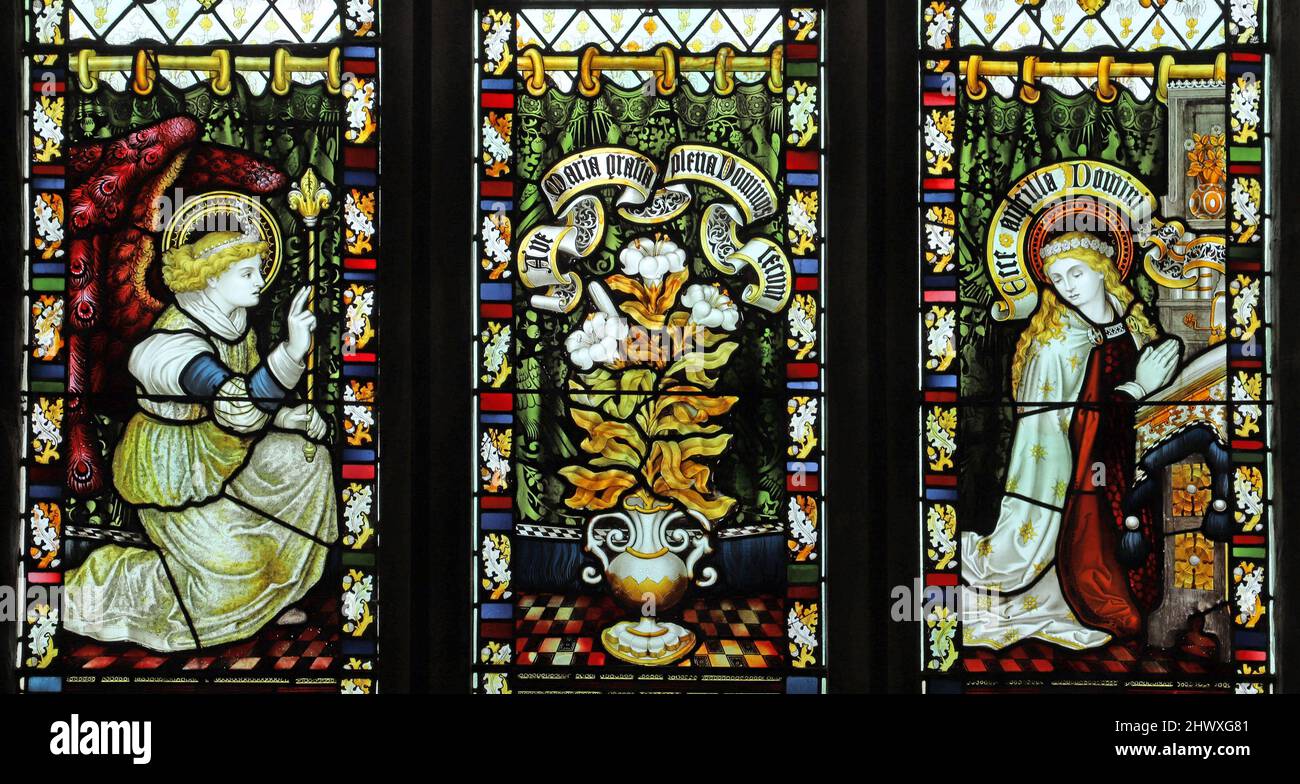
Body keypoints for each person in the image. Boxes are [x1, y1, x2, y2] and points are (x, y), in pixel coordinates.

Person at [64, 229, 336, 652]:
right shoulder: (170, 348)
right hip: (172, 475)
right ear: (209, 279)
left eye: (259, 271)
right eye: (245, 273)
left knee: (307, 460)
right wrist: (291, 352)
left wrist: (286, 416)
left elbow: (249, 406)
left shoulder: (234, 324)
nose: (258, 281)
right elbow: (240, 408)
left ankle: (272, 595)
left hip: (227, 455)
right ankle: (101, 585)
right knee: (233, 571)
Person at [961, 231, 1180, 650]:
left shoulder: (1131, 320)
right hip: (1074, 478)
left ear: (1103, 270)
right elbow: (1063, 428)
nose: (1068, 287)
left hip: (1125, 463)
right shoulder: (1053, 344)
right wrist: (1137, 388)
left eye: (1076, 273)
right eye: (1057, 279)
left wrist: (1147, 392)